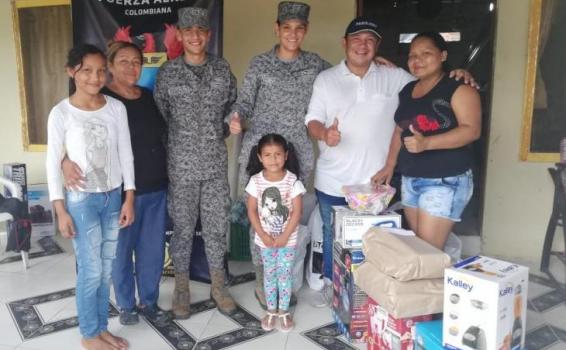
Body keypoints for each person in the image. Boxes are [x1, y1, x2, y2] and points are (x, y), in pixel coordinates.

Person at [305, 17, 476, 301]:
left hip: (376, 184)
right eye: (357, 39)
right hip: (333, 180)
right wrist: (324, 133)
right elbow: (311, 120)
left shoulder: (396, 76)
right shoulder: (326, 79)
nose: (363, 45)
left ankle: (370, 298)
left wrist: (459, 73)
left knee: (379, 244)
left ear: (377, 46)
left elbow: (433, 81)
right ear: (344, 43)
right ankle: (337, 296)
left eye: (370, 40)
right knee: (334, 238)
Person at [228, 1, 328, 310]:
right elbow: (244, 104)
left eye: (299, 28)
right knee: (259, 212)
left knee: (289, 215)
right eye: (287, 28)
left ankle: (282, 277)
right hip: (260, 149)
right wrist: (236, 118)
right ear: (277, 29)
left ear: (306, 30)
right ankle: (262, 280)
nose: (293, 34)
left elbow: (344, 78)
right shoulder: (260, 64)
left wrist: (377, 60)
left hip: (295, 152)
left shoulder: (317, 65)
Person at [62, 41, 170, 326]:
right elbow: (70, 136)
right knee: (121, 252)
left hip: (156, 187)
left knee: (152, 251)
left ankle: (149, 301)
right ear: (109, 66)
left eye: (136, 62)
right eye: (123, 61)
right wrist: (63, 161)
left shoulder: (148, 98)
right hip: (118, 193)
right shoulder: (102, 100)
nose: (131, 67)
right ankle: (126, 305)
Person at [46, 44, 134, 350]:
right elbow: (52, 160)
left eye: (100, 71)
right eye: (86, 70)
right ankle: (88, 335)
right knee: (91, 270)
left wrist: (129, 197)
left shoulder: (115, 108)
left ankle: (101, 328)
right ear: (72, 72)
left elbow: (126, 154)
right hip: (82, 202)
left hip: (112, 198)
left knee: (105, 269)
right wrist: (60, 210)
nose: (95, 77)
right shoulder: (61, 113)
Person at [153, 6, 237, 319]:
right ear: (180, 35)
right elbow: (160, 119)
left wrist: (229, 125)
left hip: (214, 166)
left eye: (201, 31)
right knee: (183, 230)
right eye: (189, 31)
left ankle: (218, 285)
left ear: (209, 34)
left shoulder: (221, 69)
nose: (196, 36)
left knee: (216, 228)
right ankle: (182, 288)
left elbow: (233, 107)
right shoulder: (168, 73)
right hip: (181, 169)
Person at [371, 32, 481, 250]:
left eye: (426, 53)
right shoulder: (408, 90)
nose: (417, 60)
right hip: (412, 178)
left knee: (427, 250)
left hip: (445, 179)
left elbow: (472, 131)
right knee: (421, 246)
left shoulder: (459, 87)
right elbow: (399, 129)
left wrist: (427, 143)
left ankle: (440, 281)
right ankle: (439, 277)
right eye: (412, 55)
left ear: (443, 55)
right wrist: (390, 165)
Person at [245, 134, 305, 332]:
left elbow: (297, 211)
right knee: (269, 275)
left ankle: (284, 311)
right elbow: (252, 210)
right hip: (265, 241)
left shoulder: (292, 181)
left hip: (287, 240)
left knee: (284, 275)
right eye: (268, 155)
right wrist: (262, 235)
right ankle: (271, 310)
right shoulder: (255, 181)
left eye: (278, 154)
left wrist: (285, 236)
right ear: (260, 157)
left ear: (286, 155)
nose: (273, 159)